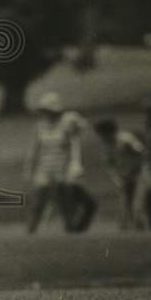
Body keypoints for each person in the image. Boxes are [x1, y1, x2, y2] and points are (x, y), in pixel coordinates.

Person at [24, 92, 96, 233]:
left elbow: (80, 131)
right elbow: (34, 149)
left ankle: (70, 229)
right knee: (38, 200)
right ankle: (31, 230)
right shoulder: (40, 127)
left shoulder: (65, 124)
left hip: (63, 168)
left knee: (65, 201)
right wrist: (29, 169)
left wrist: (74, 120)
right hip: (44, 168)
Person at [93, 118, 150, 231]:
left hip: (138, 174)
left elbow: (142, 154)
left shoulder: (125, 139)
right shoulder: (106, 145)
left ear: (110, 132)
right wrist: (118, 179)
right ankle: (124, 230)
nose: (102, 137)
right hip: (124, 177)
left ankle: (140, 229)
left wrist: (135, 170)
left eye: (103, 134)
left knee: (137, 206)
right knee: (124, 207)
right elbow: (109, 165)